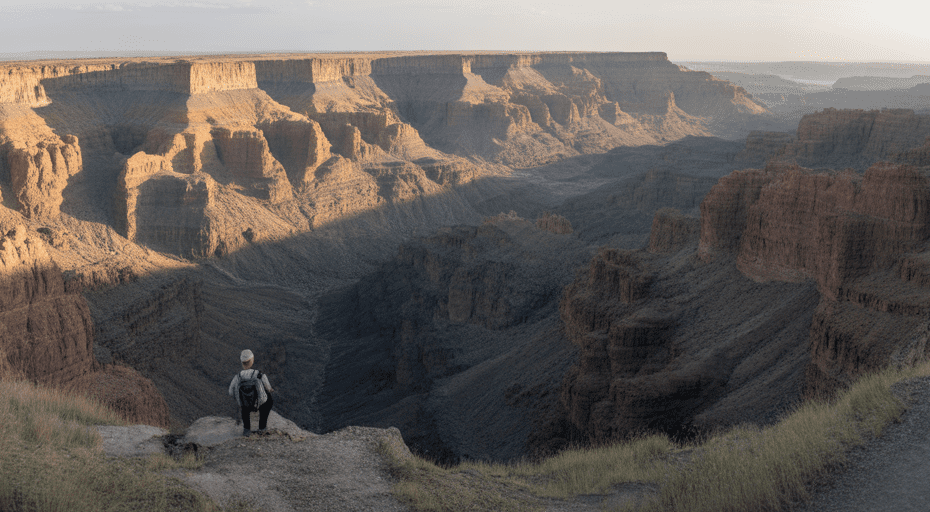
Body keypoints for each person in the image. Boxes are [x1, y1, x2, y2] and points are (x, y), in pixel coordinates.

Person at [228, 349, 275, 436]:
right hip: (258, 404)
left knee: (244, 408)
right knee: (269, 400)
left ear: (242, 363)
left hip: (245, 405)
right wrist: (270, 390)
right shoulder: (259, 374)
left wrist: (241, 398)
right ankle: (262, 428)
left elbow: (231, 392)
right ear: (252, 361)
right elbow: (269, 388)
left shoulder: (237, 377)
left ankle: (246, 430)